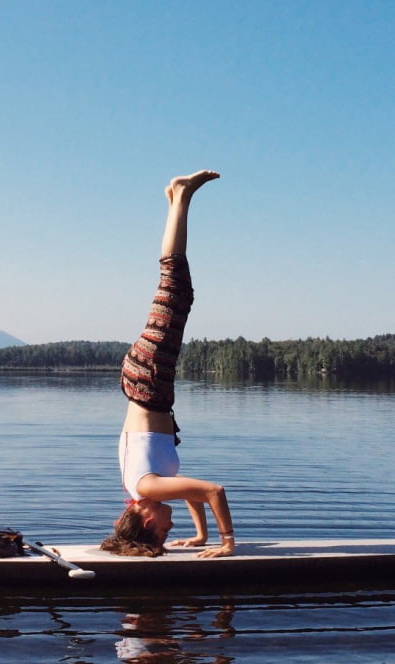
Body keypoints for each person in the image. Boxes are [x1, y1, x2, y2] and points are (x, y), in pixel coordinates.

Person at [101, 170, 235, 559]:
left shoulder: (146, 488)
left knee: (174, 287)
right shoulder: (148, 487)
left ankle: (181, 196)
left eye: (161, 530)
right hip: (145, 382)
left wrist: (227, 543)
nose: (168, 526)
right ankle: (176, 200)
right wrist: (200, 537)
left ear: (146, 520)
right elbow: (194, 493)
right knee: (178, 291)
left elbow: (214, 491)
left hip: (149, 379)